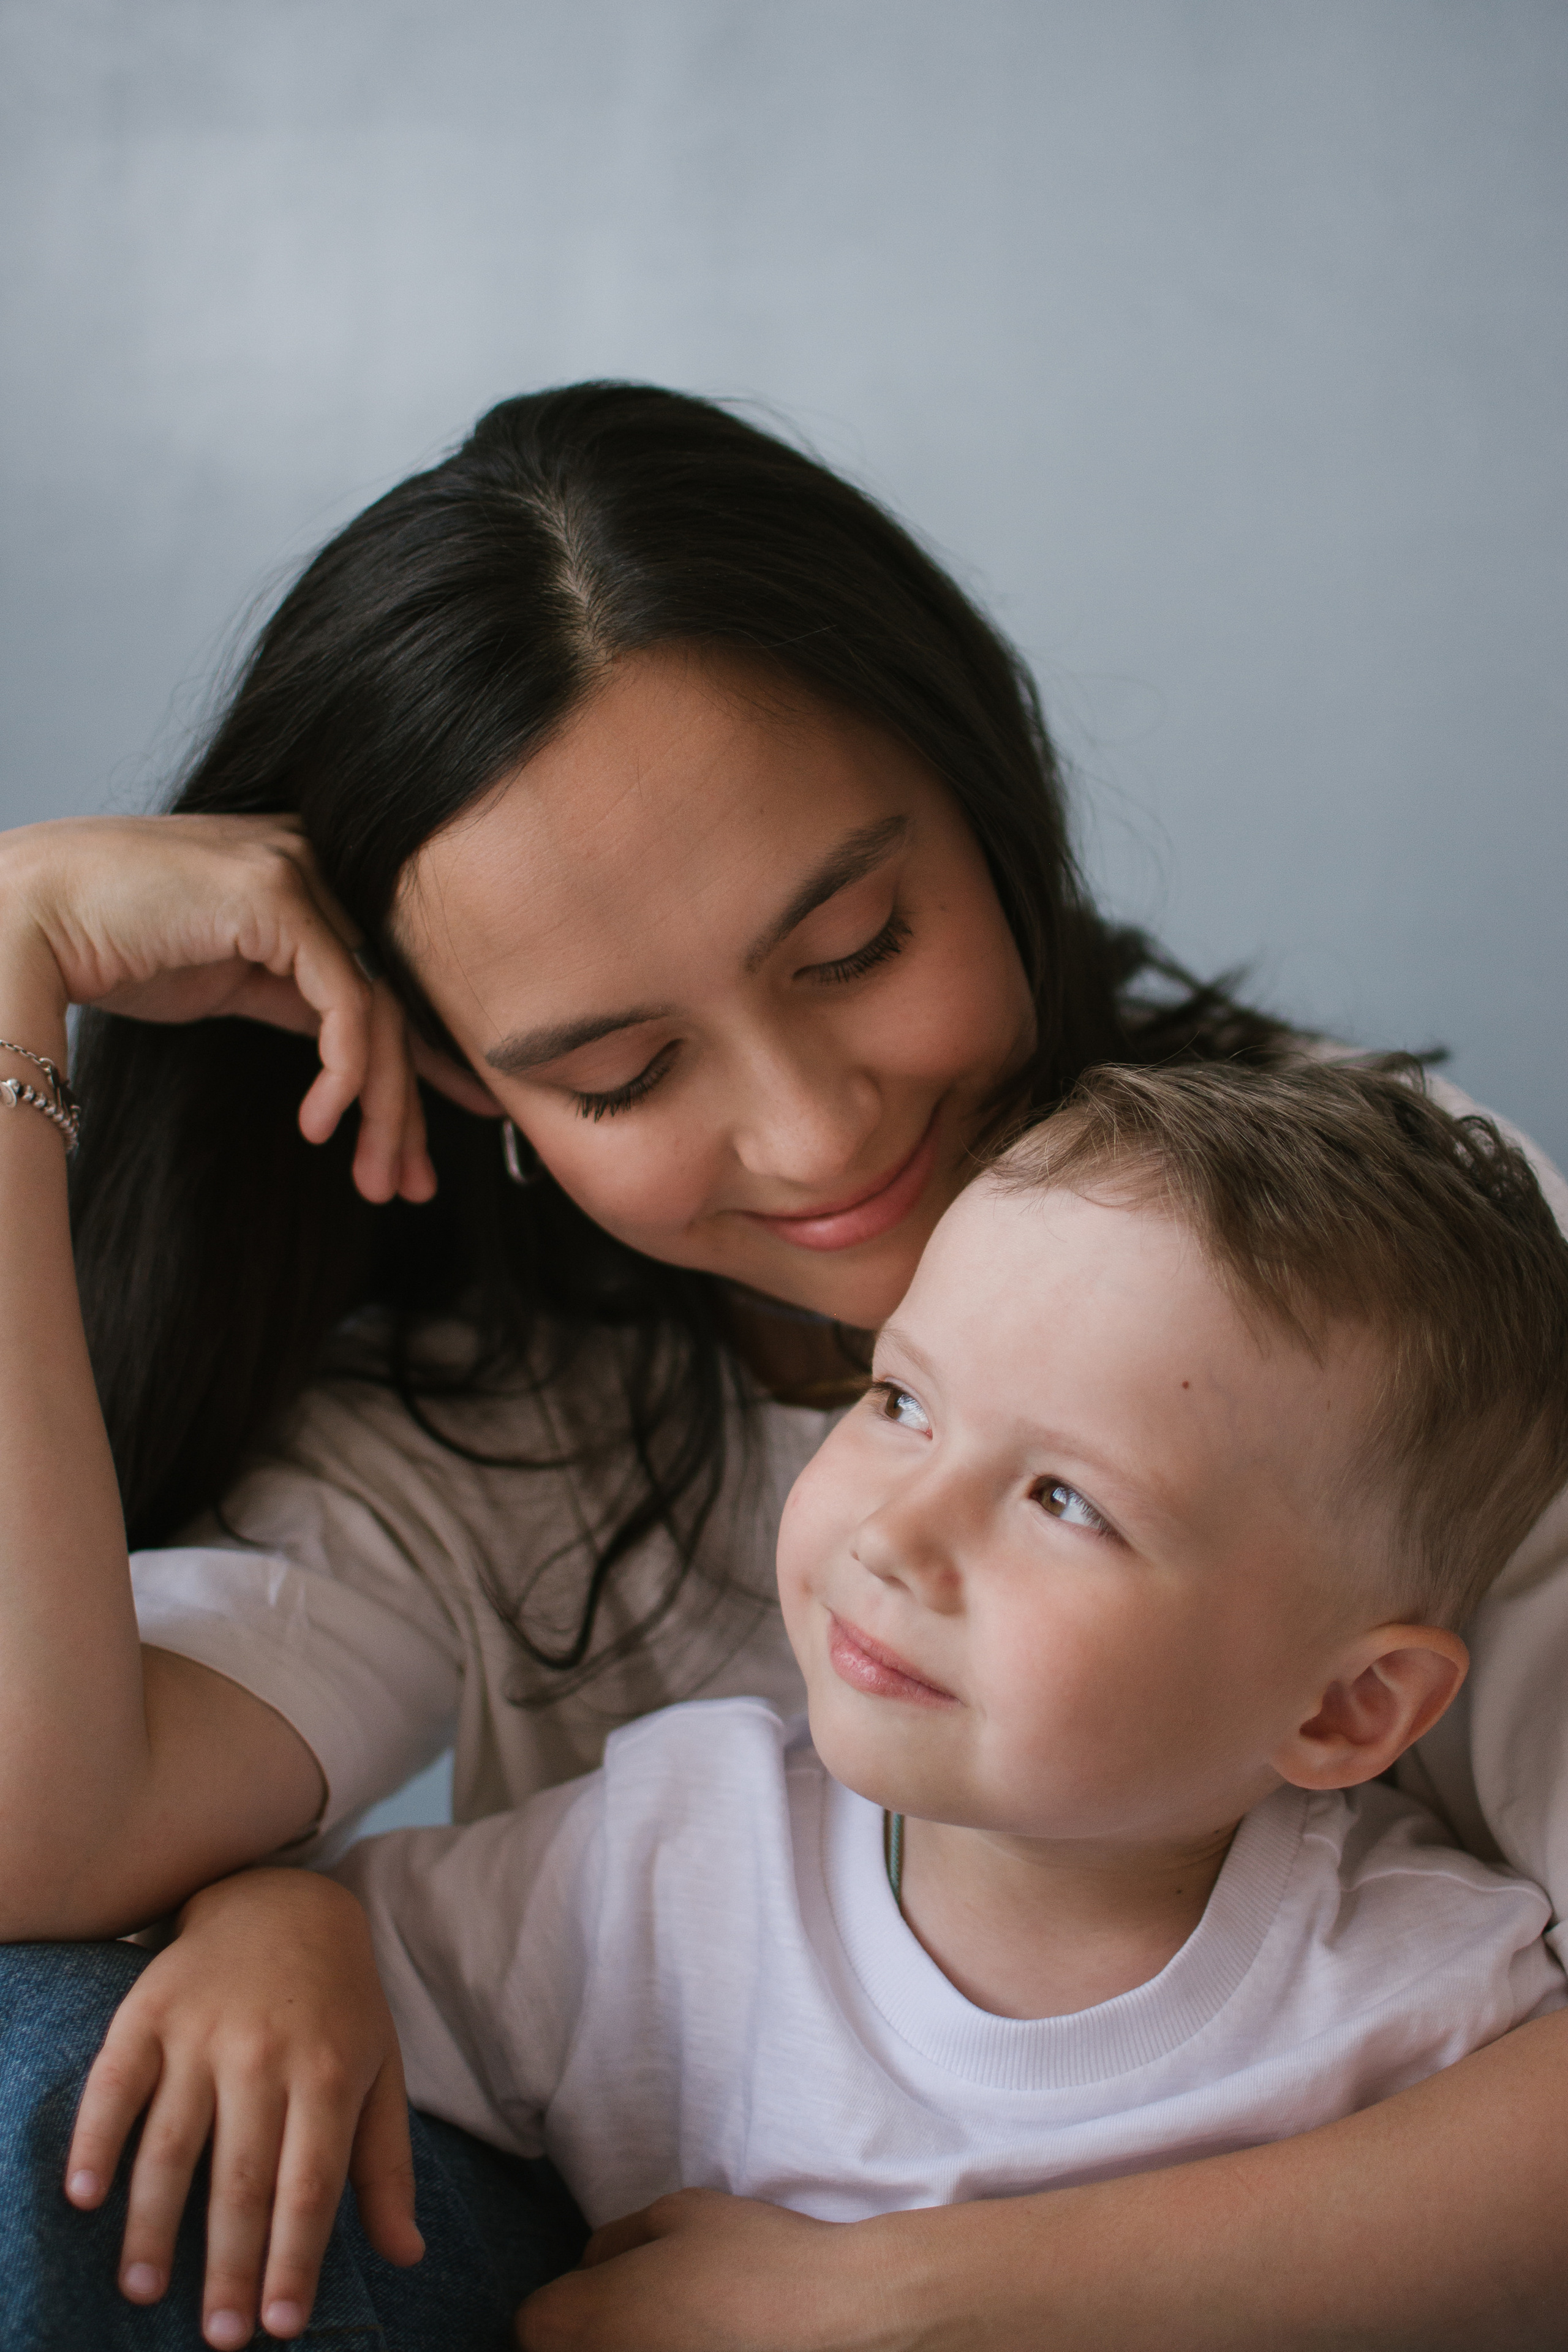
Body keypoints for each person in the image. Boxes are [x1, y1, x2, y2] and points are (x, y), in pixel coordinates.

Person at [0, 383, 1566, 2351]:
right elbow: (37, 1840)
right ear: (473, 1081)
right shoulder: (478, 1425)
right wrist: (8, 1000)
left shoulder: (1401, 1280)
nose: (818, 1135)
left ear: (984, 805)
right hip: (607, 2261)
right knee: (64, 2067)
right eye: (621, 1071)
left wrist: (909, 2308)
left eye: (854, 945)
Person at [308, 1061, 1568, 2245]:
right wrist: (276, 1921)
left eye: (1065, 1502)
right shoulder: (671, 1854)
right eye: (900, 1402)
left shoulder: (1433, 2012)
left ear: (1347, 1707)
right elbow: (345, 1968)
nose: (896, 1535)